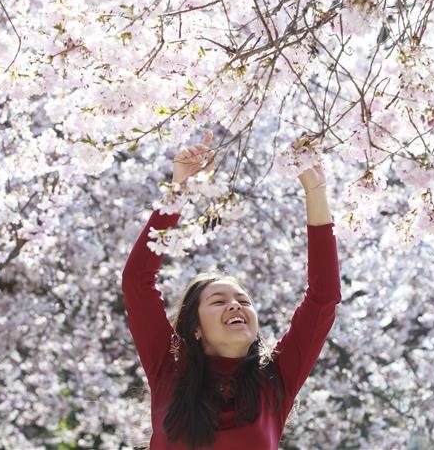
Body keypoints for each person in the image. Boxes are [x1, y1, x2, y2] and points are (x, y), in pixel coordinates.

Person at [121, 130, 341, 449]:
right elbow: (136, 281)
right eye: (219, 300)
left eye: (243, 300)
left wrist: (316, 191)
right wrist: (180, 187)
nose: (236, 306)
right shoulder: (169, 370)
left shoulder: (277, 381)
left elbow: (324, 298)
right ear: (194, 327)